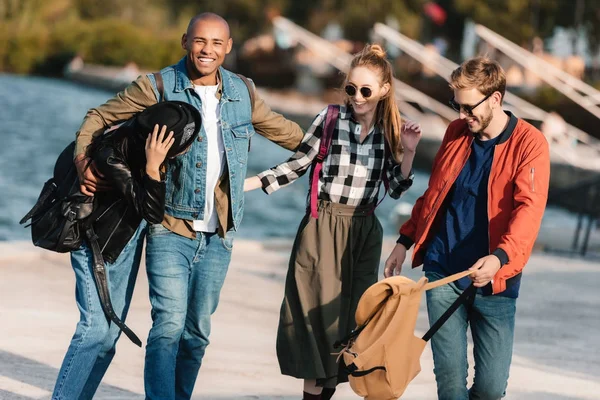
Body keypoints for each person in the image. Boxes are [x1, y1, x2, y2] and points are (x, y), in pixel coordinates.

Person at [73, 12, 305, 400]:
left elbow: (293, 135)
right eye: (200, 41)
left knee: (197, 334)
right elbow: (98, 116)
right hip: (170, 227)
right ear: (185, 41)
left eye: (217, 43)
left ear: (228, 47)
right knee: (167, 325)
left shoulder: (243, 93)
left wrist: (340, 135)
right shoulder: (158, 86)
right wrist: (83, 161)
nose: (207, 50)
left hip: (221, 234)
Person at [245, 44, 422, 400]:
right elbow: (297, 164)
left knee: (351, 322)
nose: (356, 97)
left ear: (385, 90)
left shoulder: (392, 130)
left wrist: (410, 150)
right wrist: (247, 183)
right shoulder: (329, 119)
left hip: (364, 230)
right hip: (323, 225)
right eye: (351, 89)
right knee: (313, 318)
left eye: (366, 91)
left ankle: (325, 393)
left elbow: (398, 188)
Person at [384, 57, 550, 399]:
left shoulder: (530, 144)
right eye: (456, 106)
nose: (461, 116)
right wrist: (405, 239)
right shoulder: (456, 133)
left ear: (495, 99)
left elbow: (528, 212)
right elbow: (435, 194)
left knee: (491, 389)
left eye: (468, 107)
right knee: (450, 385)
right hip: (443, 272)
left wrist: (499, 258)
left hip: (496, 279)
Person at [53, 101, 201, 400]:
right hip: (94, 244)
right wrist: (152, 167)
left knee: (108, 336)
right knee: (94, 330)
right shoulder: (114, 156)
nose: (188, 148)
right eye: (183, 143)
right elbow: (152, 211)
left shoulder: (136, 142)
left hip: (121, 245)